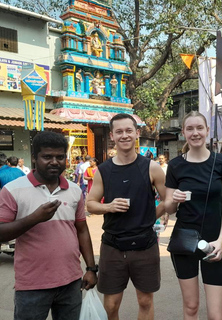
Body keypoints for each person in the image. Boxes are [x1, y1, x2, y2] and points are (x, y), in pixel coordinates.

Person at [0, 131, 97, 319]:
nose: (54, 162)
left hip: (71, 282)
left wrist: (90, 268)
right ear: (34, 158)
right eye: (47, 157)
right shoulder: (13, 190)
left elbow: (82, 230)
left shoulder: (73, 190)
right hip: (32, 285)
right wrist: (34, 218)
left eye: (60, 157)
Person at [86, 113, 167, 320]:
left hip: (145, 245)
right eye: (119, 132)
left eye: (129, 131)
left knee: (145, 301)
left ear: (137, 133)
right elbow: (90, 204)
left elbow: (169, 200)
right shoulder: (103, 170)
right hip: (113, 246)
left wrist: (150, 218)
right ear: (112, 135)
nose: (124, 135)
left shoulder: (152, 167)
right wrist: (110, 206)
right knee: (111, 304)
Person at [164, 111, 222, 320]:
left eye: (199, 128)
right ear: (184, 132)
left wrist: (221, 241)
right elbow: (169, 208)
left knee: (216, 315)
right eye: (190, 129)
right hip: (185, 242)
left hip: (214, 242)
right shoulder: (176, 165)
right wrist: (174, 199)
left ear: (207, 131)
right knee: (191, 307)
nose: (195, 133)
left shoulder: (221, 162)